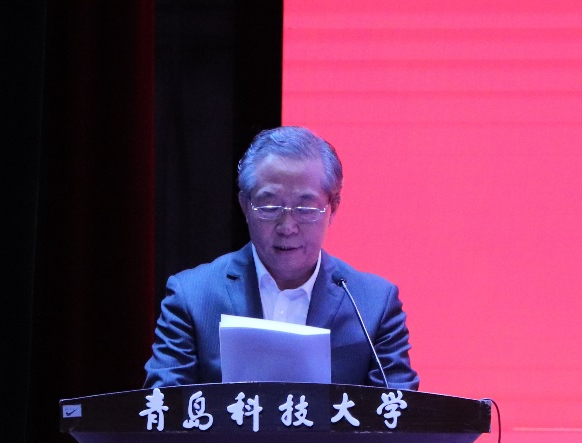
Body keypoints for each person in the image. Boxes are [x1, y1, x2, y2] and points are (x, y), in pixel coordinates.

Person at [143, 126, 419, 390]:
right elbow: (163, 408)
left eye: (305, 208)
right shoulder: (192, 296)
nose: (287, 227)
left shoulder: (373, 305)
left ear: (332, 209)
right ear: (245, 206)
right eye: (270, 206)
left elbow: (400, 411)